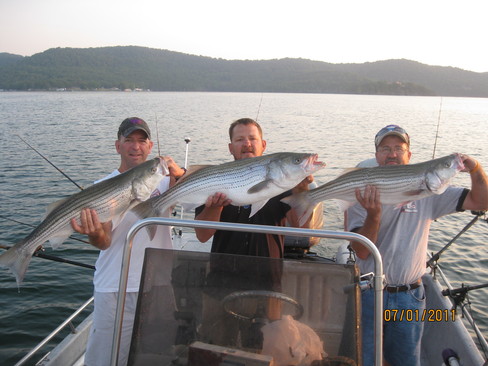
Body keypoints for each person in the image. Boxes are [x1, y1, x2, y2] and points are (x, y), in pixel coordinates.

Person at [346, 124, 488, 366]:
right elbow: (360, 250)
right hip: (368, 292)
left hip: (409, 295)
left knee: (405, 360)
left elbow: (482, 201)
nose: (392, 153)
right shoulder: (360, 192)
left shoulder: (431, 190)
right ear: (377, 156)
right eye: (385, 149)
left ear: (409, 155)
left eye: (399, 148)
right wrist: (374, 215)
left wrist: (475, 168)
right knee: (365, 357)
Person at [71, 117, 186, 366]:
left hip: (158, 283)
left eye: (141, 141)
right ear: (118, 146)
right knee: (107, 357)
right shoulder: (101, 187)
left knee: (155, 353)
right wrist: (94, 233)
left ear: (150, 146)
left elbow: (198, 198)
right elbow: (104, 242)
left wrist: (179, 173)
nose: (136, 146)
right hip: (116, 284)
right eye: (129, 140)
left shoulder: (166, 180)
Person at [194, 117, 320, 258]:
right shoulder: (213, 179)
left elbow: (301, 230)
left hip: (269, 273)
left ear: (263, 145)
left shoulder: (285, 183)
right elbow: (202, 236)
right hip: (222, 271)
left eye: (253, 138)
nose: (247, 144)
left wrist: (301, 192)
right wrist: (214, 207)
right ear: (230, 148)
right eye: (240, 139)